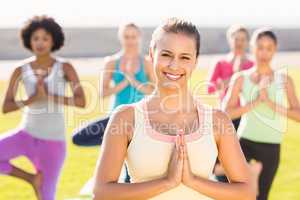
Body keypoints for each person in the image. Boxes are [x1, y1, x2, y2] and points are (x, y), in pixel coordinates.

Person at [92, 18, 255, 200]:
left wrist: (192, 181)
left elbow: (246, 192)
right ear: (152, 55)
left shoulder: (217, 121)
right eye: (166, 55)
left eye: (184, 57)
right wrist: (167, 182)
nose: (174, 65)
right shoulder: (125, 118)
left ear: (195, 62)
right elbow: (102, 193)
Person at [0, 16, 86, 200]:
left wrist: (49, 96)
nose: (40, 43)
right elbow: (5, 107)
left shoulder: (65, 67)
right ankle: (31, 179)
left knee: (46, 197)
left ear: (53, 40)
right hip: (26, 135)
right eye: (36, 38)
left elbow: (81, 101)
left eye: (45, 38)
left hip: (52, 142)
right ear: (28, 40)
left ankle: (38, 183)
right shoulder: (20, 69)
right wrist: (31, 99)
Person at [224, 28, 300, 200]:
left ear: (275, 49)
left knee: (261, 196)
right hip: (244, 143)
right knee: (239, 195)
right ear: (252, 48)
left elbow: (298, 115)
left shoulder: (284, 80)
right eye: (260, 47)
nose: (264, 53)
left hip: (271, 145)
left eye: (269, 48)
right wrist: (256, 102)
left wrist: (271, 104)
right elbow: (226, 113)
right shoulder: (240, 78)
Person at [72, 23, 155, 147]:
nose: (130, 40)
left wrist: (133, 80)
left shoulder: (147, 62)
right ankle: (111, 141)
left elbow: (154, 92)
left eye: (133, 37)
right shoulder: (111, 62)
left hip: (139, 118)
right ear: (121, 38)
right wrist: (124, 82)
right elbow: (102, 93)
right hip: (115, 117)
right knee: (78, 137)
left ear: (139, 37)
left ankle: (122, 141)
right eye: (126, 37)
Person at [208, 25, 255, 183]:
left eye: (243, 39)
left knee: (241, 162)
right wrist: (233, 77)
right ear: (230, 40)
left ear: (247, 42)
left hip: (244, 118)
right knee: (220, 162)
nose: (239, 42)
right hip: (223, 117)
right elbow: (209, 88)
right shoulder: (220, 63)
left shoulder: (251, 65)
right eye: (236, 39)